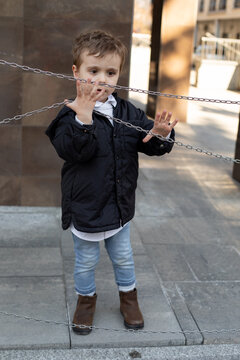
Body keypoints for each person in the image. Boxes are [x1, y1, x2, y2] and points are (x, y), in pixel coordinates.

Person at [45, 30, 178, 335]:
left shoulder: (127, 111)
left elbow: (150, 143)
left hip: (118, 207)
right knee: (85, 262)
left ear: (119, 74)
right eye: (94, 71)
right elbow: (73, 151)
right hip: (87, 208)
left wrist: (160, 134)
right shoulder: (69, 117)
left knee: (124, 258)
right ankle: (86, 301)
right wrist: (84, 119)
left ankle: (128, 299)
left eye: (110, 72)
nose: (102, 79)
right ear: (77, 72)